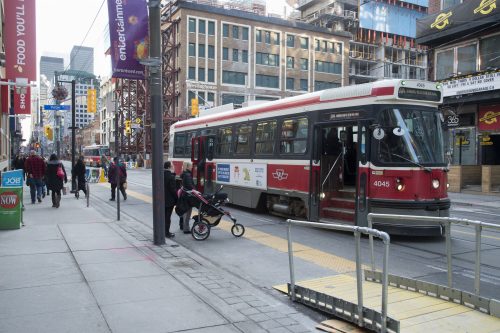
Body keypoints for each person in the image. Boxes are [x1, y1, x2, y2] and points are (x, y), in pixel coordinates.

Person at [180, 161, 194, 234]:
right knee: (188, 213)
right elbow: (190, 186)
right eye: (191, 166)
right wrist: (195, 191)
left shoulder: (184, 174)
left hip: (184, 196)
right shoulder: (188, 175)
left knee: (185, 213)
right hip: (188, 196)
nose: (192, 167)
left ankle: (184, 227)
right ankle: (186, 229)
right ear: (188, 167)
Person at [163, 161, 177, 238]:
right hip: (169, 201)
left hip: (161, 199)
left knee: (163, 216)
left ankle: (162, 231)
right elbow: (173, 190)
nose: (173, 167)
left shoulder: (160, 174)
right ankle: (166, 232)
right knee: (167, 217)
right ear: (169, 167)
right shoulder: (171, 177)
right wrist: (177, 198)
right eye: (172, 166)